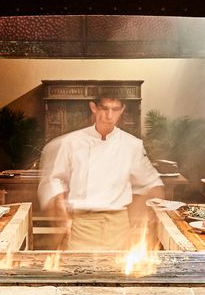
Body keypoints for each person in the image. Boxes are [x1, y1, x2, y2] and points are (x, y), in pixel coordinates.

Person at [37, 91, 164, 251]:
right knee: (79, 271)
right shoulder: (71, 143)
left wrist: (146, 214)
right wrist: (60, 207)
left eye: (115, 109)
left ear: (122, 109)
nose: (109, 115)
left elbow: (151, 182)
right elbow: (54, 179)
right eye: (105, 108)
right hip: (82, 223)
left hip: (118, 224)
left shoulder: (132, 145)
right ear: (93, 107)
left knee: (117, 273)